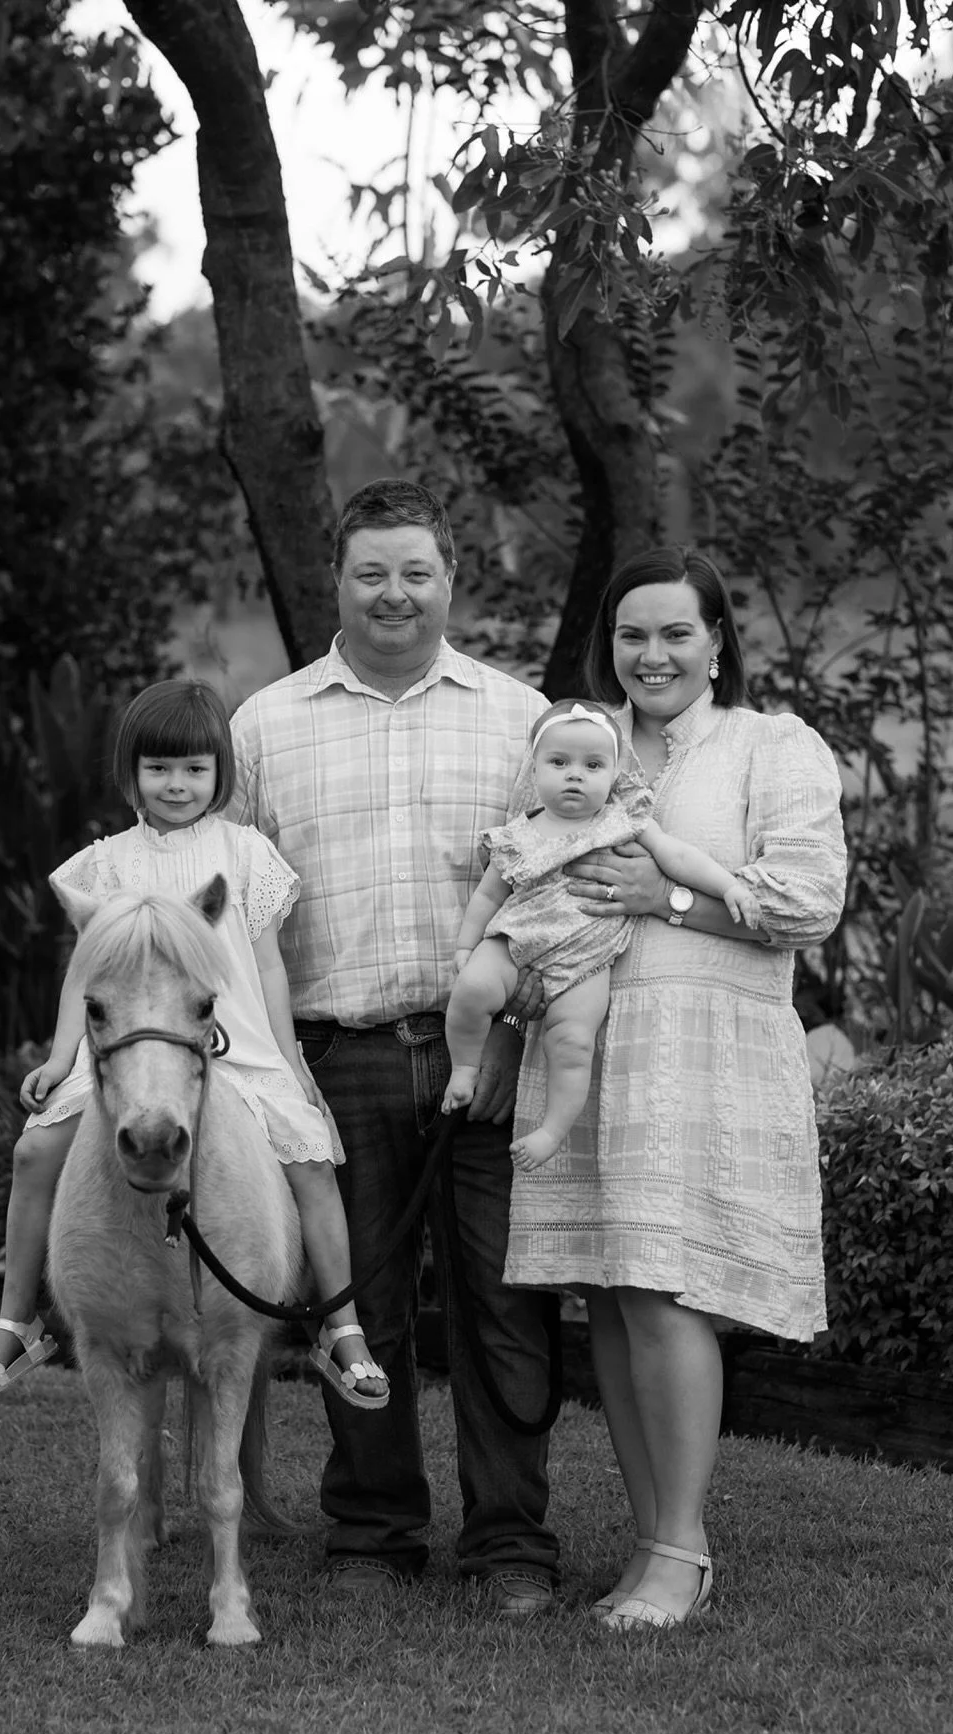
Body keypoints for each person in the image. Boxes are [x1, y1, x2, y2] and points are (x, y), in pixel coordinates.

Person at [229, 479, 561, 1614]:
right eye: (372, 571)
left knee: (503, 1309)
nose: (394, 592)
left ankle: (511, 1542)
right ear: (338, 579)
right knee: (352, 1302)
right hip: (338, 1057)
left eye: (415, 570)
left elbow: (550, 895)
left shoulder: (520, 719)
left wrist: (521, 1030)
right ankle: (374, 1529)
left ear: (450, 578)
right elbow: (241, 916)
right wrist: (274, 1079)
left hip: (489, 1053)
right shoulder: (265, 726)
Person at [503, 546, 847, 1631]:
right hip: (592, 1042)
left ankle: (682, 1548)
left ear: (715, 645)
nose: (651, 654)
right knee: (608, 1289)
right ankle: (654, 1537)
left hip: (705, 1046)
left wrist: (671, 900)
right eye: (631, 635)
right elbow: (528, 870)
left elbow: (808, 901)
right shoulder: (582, 746)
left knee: (664, 1289)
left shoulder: (769, 747)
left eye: (674, 633)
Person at [0, 679, 388, 1412]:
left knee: (312, 1164)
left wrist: (291, 1065)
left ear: (222, 773)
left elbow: (270, 965)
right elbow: (86, 975)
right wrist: (62, 1059)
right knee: (33, 1152)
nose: (177, 784)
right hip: (128, 1050)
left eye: (195, 768)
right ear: (131, 774)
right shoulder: (108, 864)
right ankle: (16, 1319)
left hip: (235, 1047)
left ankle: (340, 1326)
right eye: (159, 768)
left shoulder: (246, 854)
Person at [443, 697, 761, 1171]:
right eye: (559, 762)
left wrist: (729, 885)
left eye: (592, 765)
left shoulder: (622, 822)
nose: (575, 774)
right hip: (515, 944)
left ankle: (551, 1131)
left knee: (573, 1043)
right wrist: (468, 946)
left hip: (587, 960)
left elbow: (678, 859)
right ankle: (464, 1068)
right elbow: (489, 898)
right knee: (471, 988)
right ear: (534, 772)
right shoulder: (517, 834)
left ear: (615, 775)